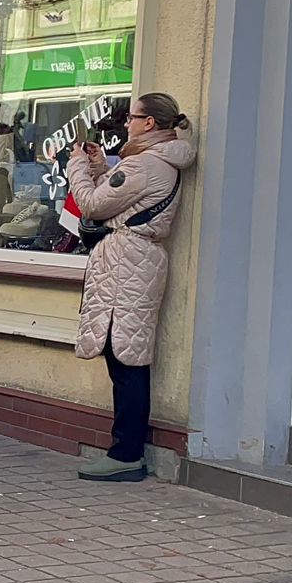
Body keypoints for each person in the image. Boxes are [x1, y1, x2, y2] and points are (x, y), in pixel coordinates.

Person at [68, 92, 195, 482]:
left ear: (150, 124)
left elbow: (92, 204)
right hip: (136, 261)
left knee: (124, 359)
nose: (126, 123)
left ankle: (126, 453)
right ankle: (126, 449)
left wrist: (75, 165)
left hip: (127, 262)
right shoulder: (156, 162)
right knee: (127, 354)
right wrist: (97, 164)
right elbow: (119, 193)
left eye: (132, 117)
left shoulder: (143, 165)